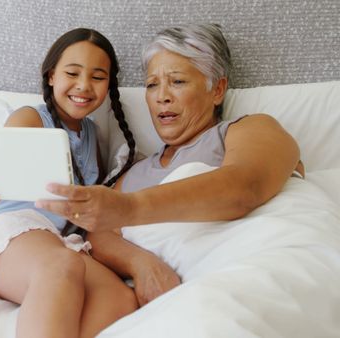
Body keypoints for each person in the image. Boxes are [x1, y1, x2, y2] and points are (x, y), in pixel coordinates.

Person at [34, 23, 305, 304]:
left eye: (177, 81)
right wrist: (141, 264)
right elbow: (99, 231)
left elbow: (246, 186)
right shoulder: (135, 173)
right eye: (152, 85)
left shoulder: (249, 129)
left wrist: (131, 208)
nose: (162, 96)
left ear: (218, 89)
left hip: (249, 277)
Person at [0, 28, 144, 338]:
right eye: (72, 73)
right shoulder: (30, 119)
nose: (84, 86)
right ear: (52, 76)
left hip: (55, 240)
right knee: (61, 264)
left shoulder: (93, 135)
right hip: (13, 231)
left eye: (98, 77)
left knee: (119, 297)